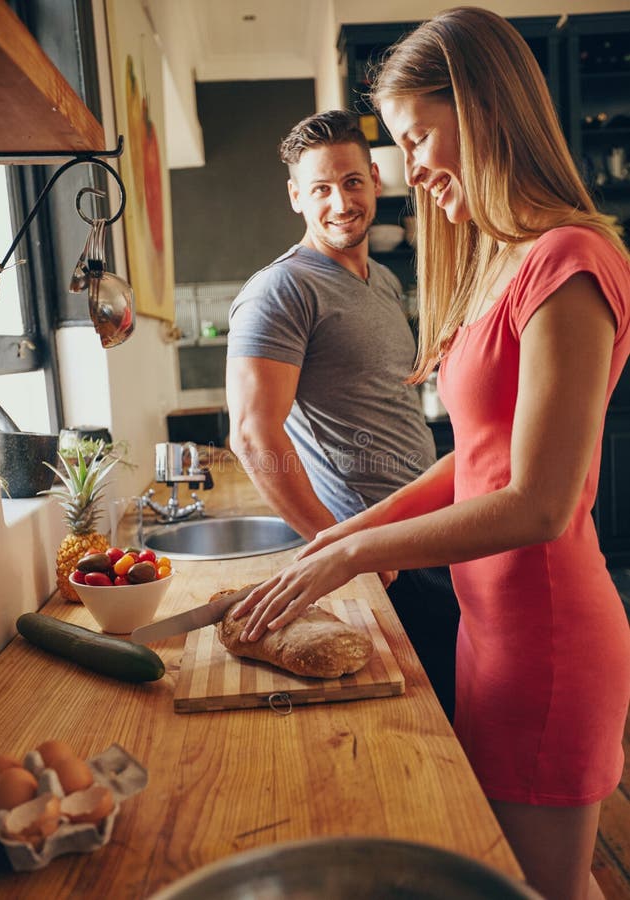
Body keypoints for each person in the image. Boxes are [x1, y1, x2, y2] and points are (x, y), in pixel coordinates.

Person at [230, 9, 630, 900]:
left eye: (417, 138)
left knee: (546, 888)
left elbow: (536, 503)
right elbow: (474, 462)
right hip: (488, 629)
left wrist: (356, 555)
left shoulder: (568, 260)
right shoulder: (504, 262)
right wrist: (339, 542)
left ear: (484, 110)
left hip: (548, 640)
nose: (409, 171)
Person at [226, 109, 460, 720]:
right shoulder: (281, 290)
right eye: (322, 188)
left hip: (429, 534)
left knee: (459, 712)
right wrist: (338, 549)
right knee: (420, 728)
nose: (340, 202)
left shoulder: (381, 280)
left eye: (352, 182)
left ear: (375, 182)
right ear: (296, 196)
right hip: (379, 558)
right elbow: (254, 434)